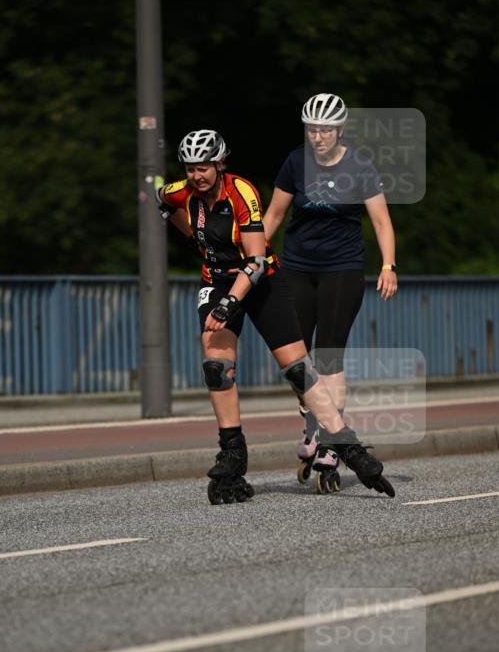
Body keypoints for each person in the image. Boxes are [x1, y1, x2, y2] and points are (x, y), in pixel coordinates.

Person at [155, 128, 395, 504]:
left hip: (260, 280)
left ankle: (347, 446)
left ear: (220, 164)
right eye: (190, 168)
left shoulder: (242, 193)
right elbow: (163, 200)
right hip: (217, 280)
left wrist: (228, 305)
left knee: (298, 369)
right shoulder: (181, 191)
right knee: (216, 367)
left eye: (204, 167)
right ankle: (232, 453)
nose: (196, 175)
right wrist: (194, 239)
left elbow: (254, 262)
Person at [263, 93, 398, 493]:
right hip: (297, 268)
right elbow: (274, 215)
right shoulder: (295, 163)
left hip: (342, 269)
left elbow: (381, 220)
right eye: (311, 130)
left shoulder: (360, 166)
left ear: (339, 129)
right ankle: (313, 424)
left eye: (324, 129)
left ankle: (329, 445)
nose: (317, 137)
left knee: (329, 356)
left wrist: (388, 266)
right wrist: (251, 260)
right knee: (297, 360)